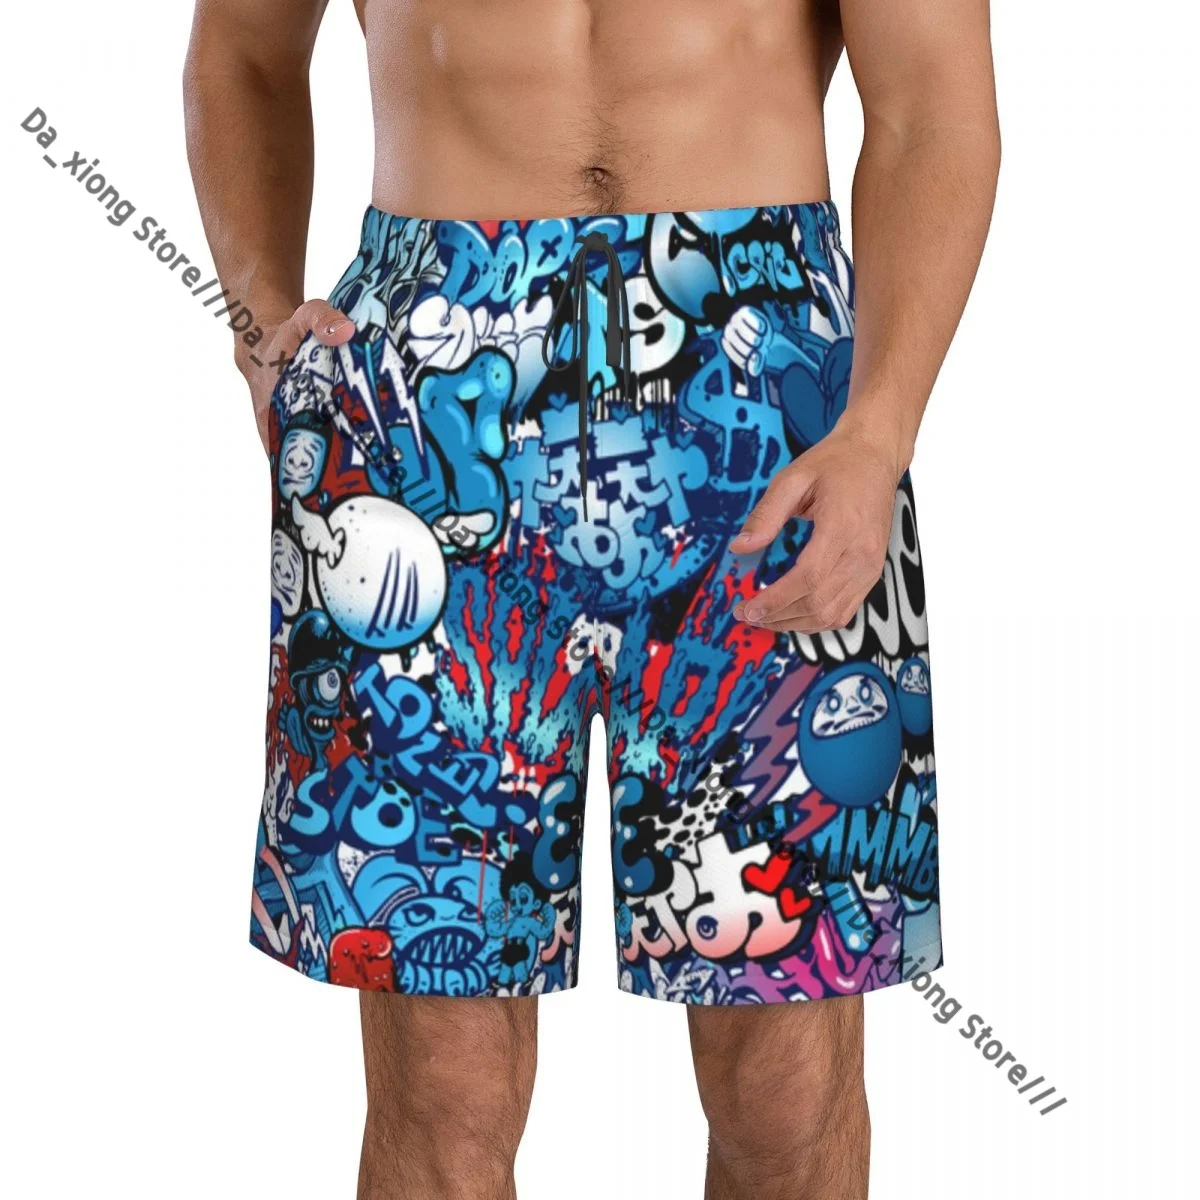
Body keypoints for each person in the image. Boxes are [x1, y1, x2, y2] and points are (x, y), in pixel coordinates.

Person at [184, 1, 999, 1196]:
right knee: (443, 1082)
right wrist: (261, 318)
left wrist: (879, 429)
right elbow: (242, 52)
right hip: (429, 397)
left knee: (783, 1080)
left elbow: (935, 105)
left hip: (763, 396)